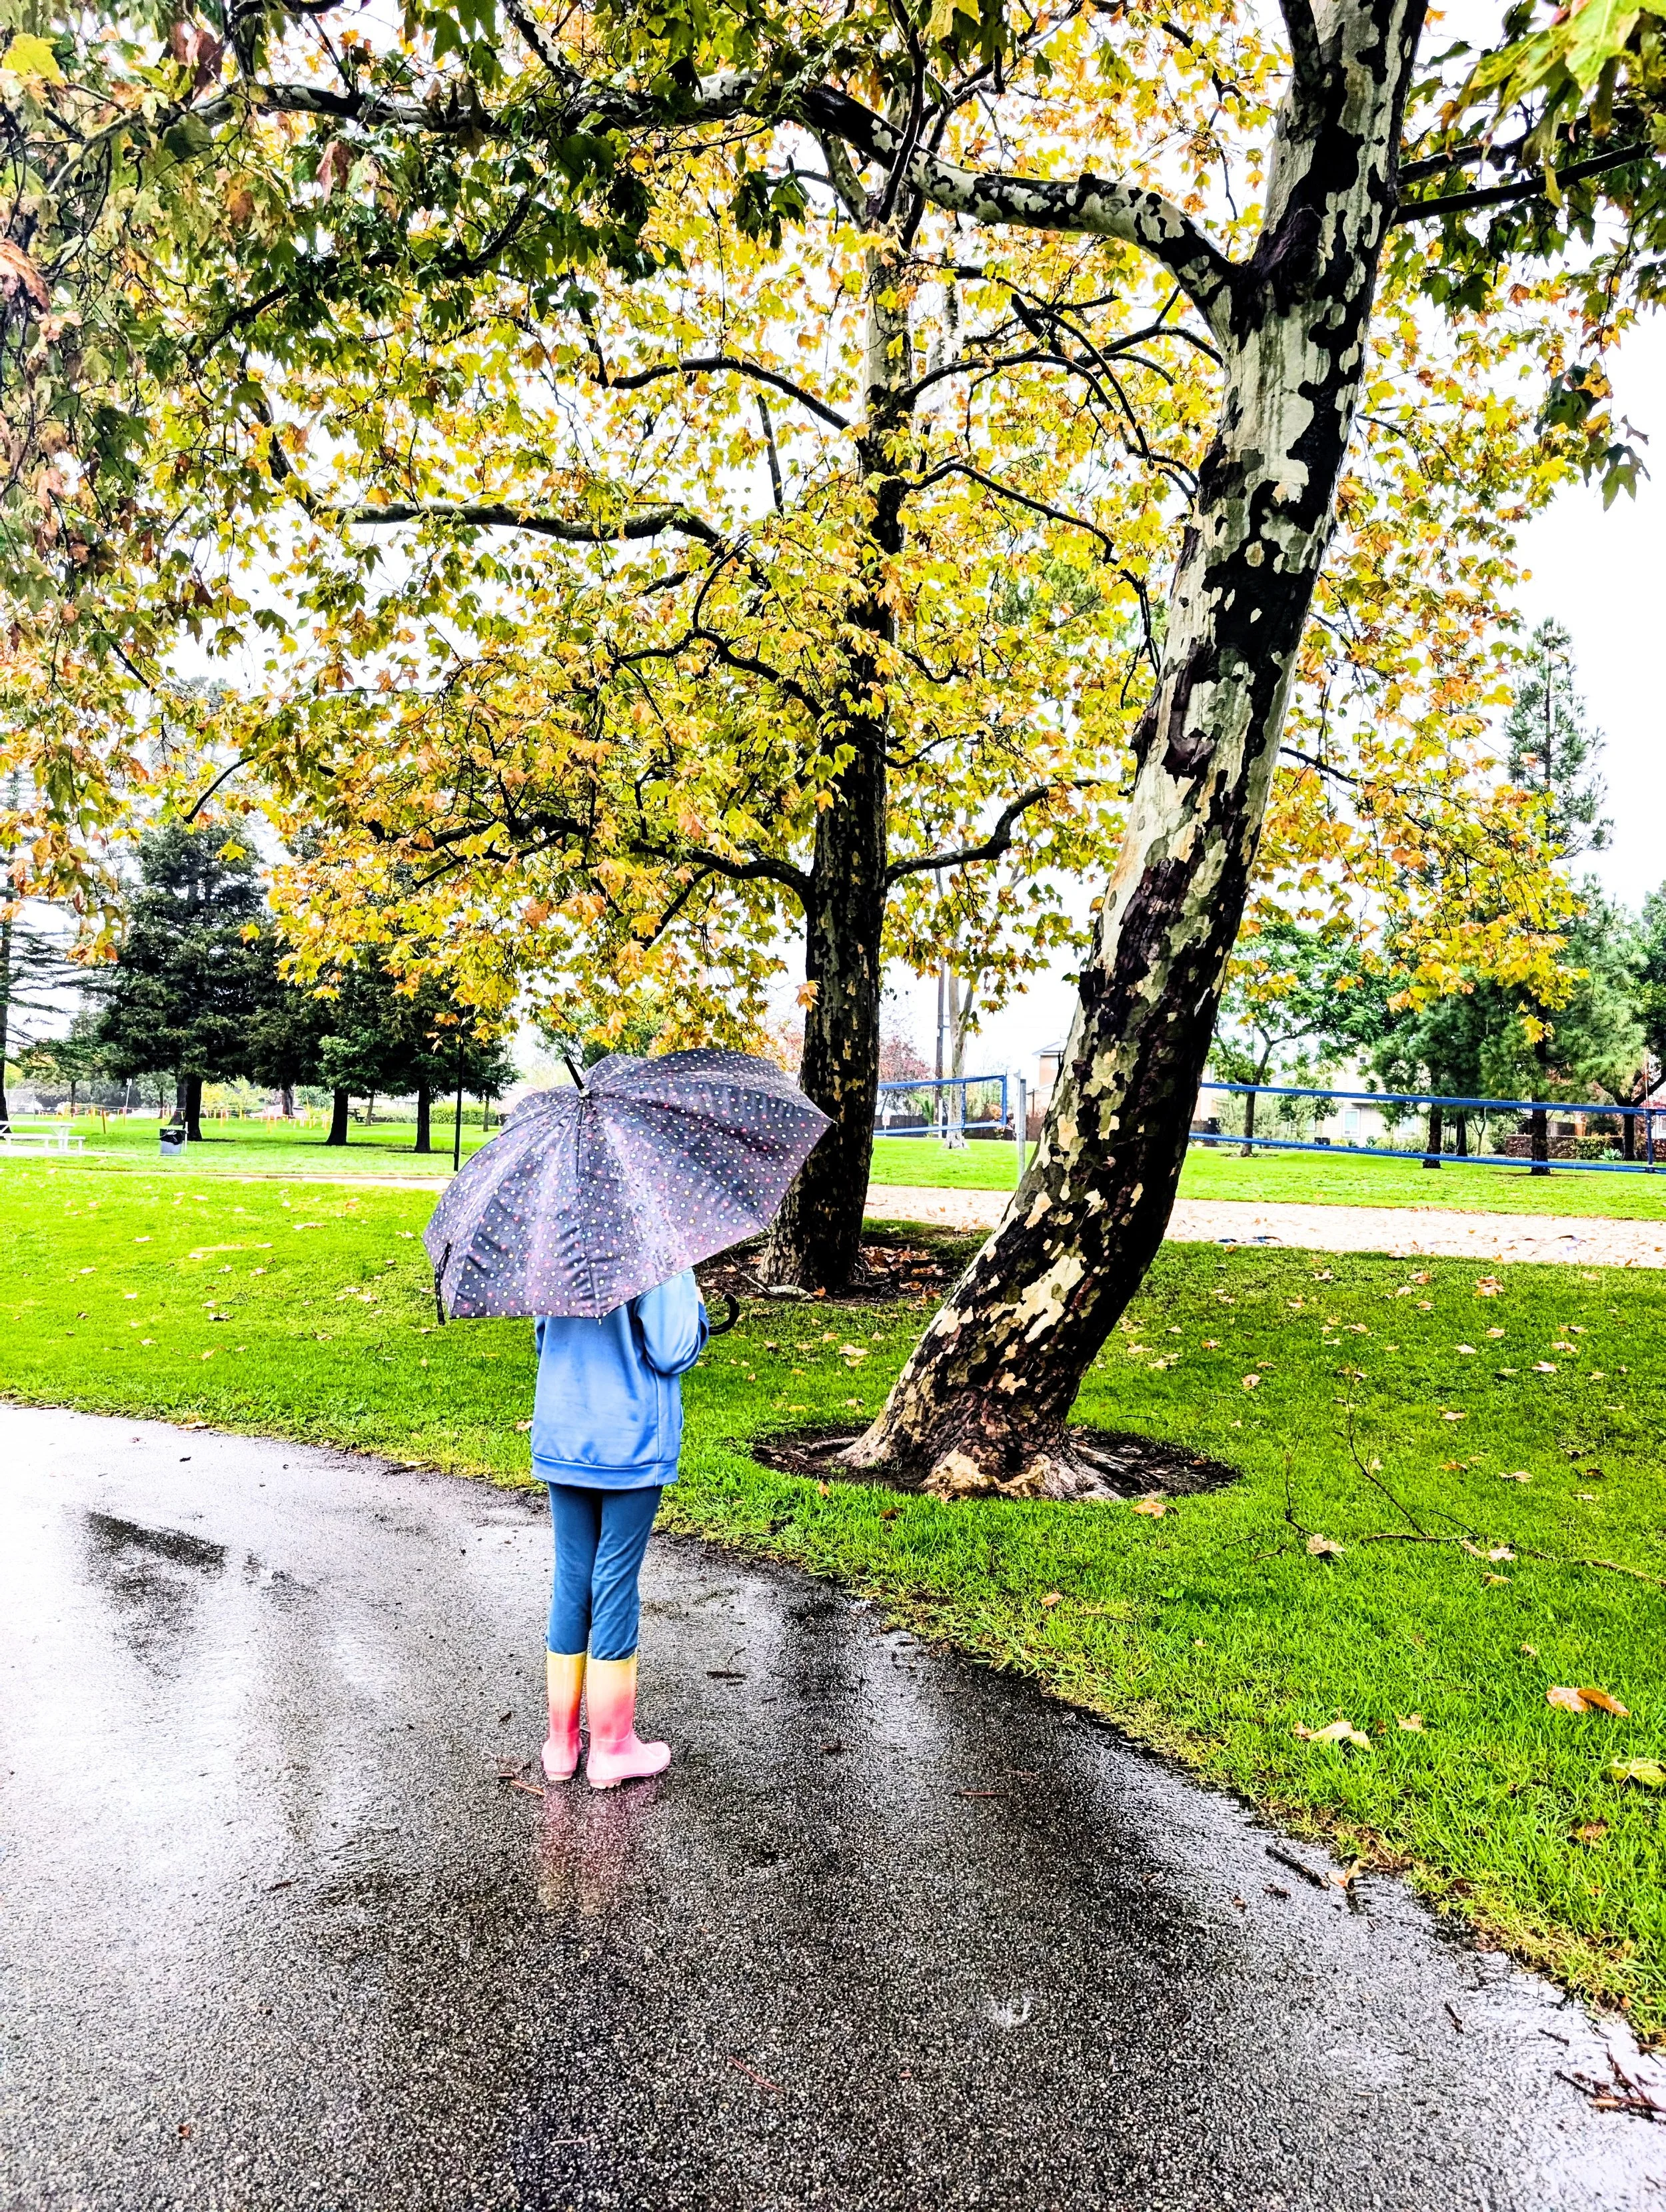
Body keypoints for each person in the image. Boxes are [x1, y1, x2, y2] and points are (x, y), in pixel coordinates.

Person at [530, 1268, 708, 1788]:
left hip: (565, 1435)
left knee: (572, 1576)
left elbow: (545, 1339)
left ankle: (561, 1746)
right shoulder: (658, 1253)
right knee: (615, 1578)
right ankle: (612, 1747)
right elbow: (673, 1349)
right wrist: (697, 1312)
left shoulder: (557, 1243)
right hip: (628, 1441)